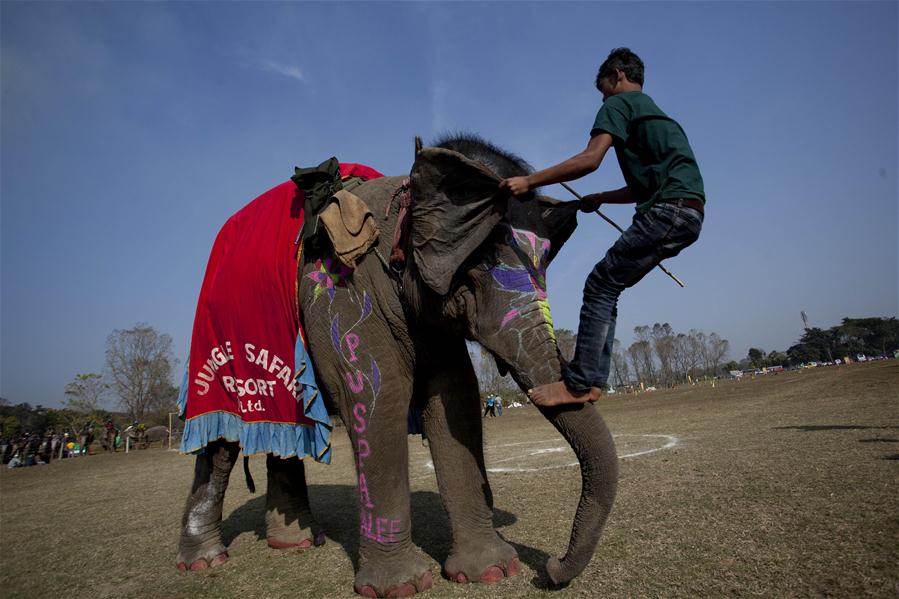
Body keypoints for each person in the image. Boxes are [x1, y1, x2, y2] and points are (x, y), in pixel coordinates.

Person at [500, 47, 705, 407]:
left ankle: (579, 383)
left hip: (665, 212)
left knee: (598, 285)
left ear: (618, 76)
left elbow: (589, 159)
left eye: (603, 89)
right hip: (688, 214)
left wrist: (529, 181)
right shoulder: (657, 115)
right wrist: (602, 198)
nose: (603, 98)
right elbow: (644, 187)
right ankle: (593, 382)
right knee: (608, 286)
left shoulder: (618, 105)